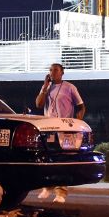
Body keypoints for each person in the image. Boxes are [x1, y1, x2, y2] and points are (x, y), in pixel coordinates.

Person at [34, 63, 86, 203]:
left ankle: (61, 192)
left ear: (62, 72)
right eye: (50, 70)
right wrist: (45, 87)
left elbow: (81, 107)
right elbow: (38, 104)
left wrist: (76, 123)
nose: (52, 72)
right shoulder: (46, 87)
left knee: (62, 159)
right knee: (47, 157)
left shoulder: (70, 87)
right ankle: (47, 186)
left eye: (55, 70)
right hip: (48, 128)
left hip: (64, 129)